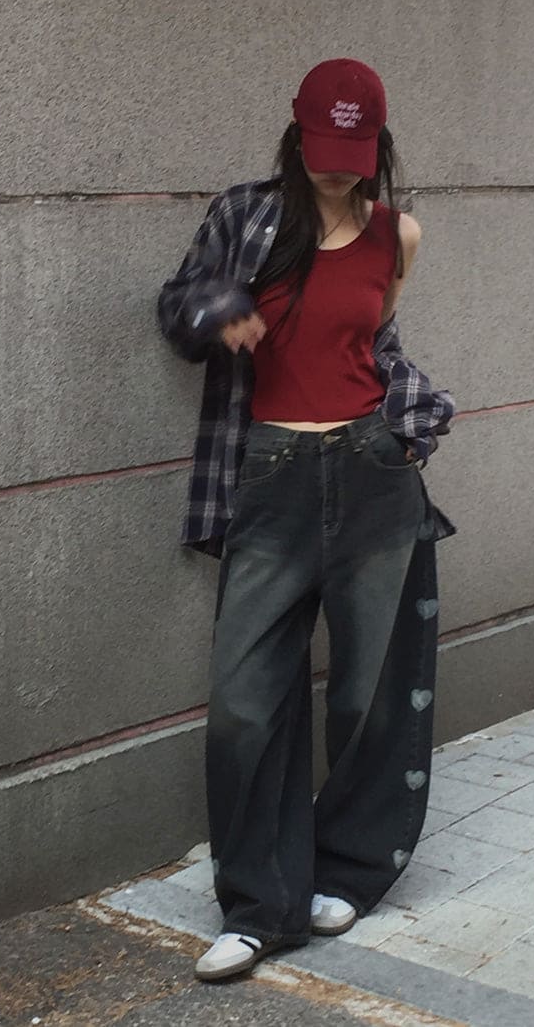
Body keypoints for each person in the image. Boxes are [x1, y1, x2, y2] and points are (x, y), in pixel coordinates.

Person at [157, 59, 455, 982]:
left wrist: (407, 434)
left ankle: (352, 870)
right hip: (271, 473)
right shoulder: (245, 215)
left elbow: (374, 345)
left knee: (369, 691)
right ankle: (259, 907)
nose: (336, 167)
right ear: (295, 135)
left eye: (353, 151)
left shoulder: (398, 234)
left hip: (372, 472)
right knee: (247, 700)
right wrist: (220, 312)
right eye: (323, 148)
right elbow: (177, 304)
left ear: (377, 145)